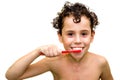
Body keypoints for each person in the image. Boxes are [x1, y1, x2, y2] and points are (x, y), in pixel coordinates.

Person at [5, 1, 113, 80]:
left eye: (84, 34)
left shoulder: (100, 62)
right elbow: (11, 76)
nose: (78, 40)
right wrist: (37, 51)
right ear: (60, 36)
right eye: (70, 34)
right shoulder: (53, 61)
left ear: (92, 36)